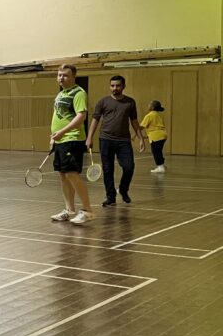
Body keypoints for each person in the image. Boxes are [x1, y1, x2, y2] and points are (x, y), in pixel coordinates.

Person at [85, 75, 145, 206]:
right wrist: (89, 137)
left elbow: (134, 121)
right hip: (105, 140)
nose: (115, 88)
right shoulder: (103, 102)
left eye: (118, 85)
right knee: (108, 169)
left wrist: (141, 138)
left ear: (123, 86)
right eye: (112, 86)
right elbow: (95, 120)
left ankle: (123, 190)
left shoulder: (130, 102)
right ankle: (110, 197)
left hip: (124, 141)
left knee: (129, 167)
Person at [50, 64, 95, 225]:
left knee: (71, 174)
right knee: (63, 175)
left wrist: (62, 132)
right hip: (60, 140)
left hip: (72, 139)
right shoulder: (61, 94)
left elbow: (81, 116)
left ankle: (88, 211)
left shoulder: (78, 93)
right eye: (59, 75)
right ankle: (69, 210)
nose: (61, 78)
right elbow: (57, 117)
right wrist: (53, 137)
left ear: (73, 77)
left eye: (65, 75)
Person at [141, 100, 168, 174]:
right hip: (163, 135)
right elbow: (155, 127)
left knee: (156, 152)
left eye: (149, 104)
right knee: (158, 151)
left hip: (156, 136)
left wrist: (135, 134)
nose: (148, 105)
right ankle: (162, 165)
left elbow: (141, 126)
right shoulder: (158, 115)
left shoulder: (149, 115)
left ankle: (160, 167)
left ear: (152, 107)